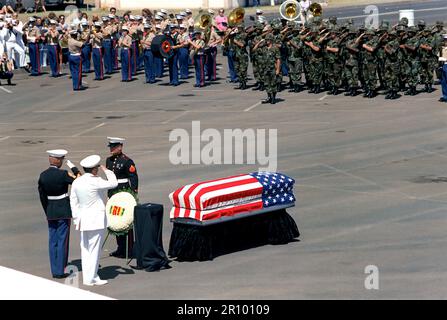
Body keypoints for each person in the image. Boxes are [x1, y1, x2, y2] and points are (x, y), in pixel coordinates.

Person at [70, 155, 118, 286]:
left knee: (85, 249)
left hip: (83, 220)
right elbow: (114, 183)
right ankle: (91, 278)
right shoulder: (95, 181)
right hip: (96, 220)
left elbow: (73, 202)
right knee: (94, 250)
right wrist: (108, 171)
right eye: (97, 167)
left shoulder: (77, 181)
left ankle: (90, 276)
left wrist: (76, 219)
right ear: (95, 169)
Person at [38, 149, 80, 279]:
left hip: (51, 210)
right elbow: (79, 180)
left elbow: (42, 196)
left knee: (53, 241)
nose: (62, 161)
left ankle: (54, 269)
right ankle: (60, 270)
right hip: (63, 210)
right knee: (62, 240)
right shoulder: (63, 174)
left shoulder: (43, 175)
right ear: (58, 160)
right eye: (61, 159)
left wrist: (47, 210)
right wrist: (74, 169)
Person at [105, 137, 138, 259]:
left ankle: (129, 249)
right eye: (110, 147)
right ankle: (120, 248)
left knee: (126, 221)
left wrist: (133, 194)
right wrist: (109, 195)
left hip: (124, 193)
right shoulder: (109, 160)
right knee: (116, 220)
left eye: (114, 147)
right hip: (113, 193)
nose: (111, 149)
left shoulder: (127, 161)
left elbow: (133, 178)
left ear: (120, 147)